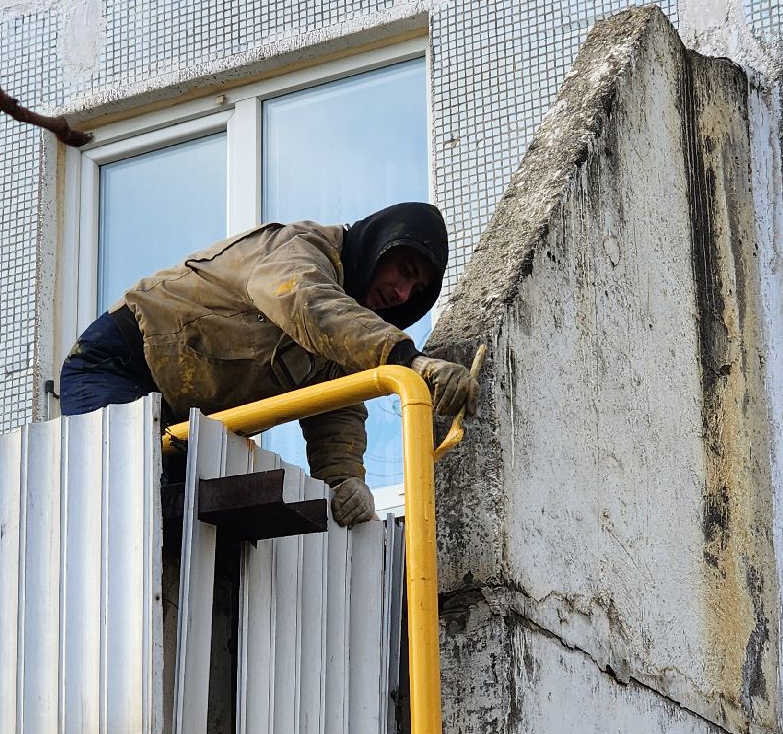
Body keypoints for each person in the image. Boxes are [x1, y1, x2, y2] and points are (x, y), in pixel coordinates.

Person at [59, 201, 477, 527]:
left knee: (198, 535)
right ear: (378, 244)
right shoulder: (300, 250)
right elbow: (305, 302)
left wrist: (346, 482)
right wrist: (408, 360)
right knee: (126, 512)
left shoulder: (344, 339)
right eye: (403, 271)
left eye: (416, 289)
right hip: (119, 365)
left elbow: (339, 407)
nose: (403, 294)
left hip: (188, 426)